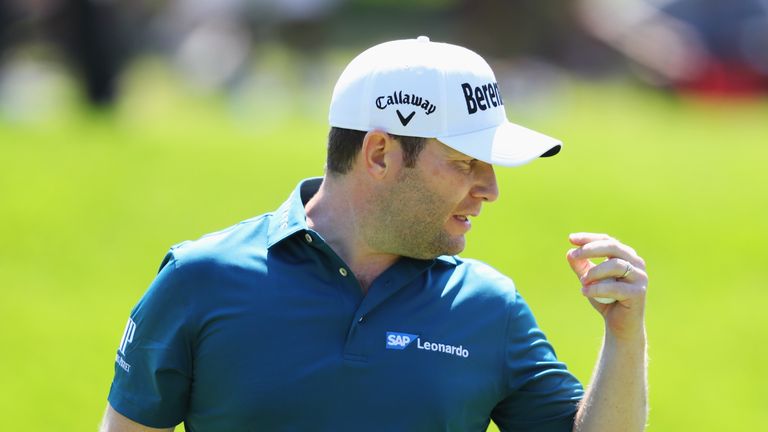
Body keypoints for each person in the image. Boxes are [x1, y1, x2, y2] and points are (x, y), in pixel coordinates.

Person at [101, 36, 648, 431]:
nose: (490, 189)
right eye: (465, 163)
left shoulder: (489, 307)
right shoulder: (201, 280)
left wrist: (624, 337)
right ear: (381, 153)